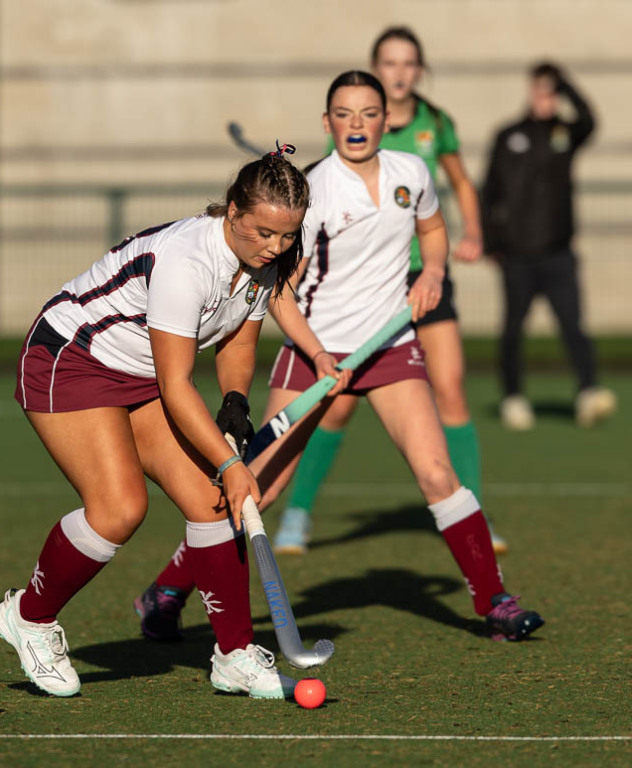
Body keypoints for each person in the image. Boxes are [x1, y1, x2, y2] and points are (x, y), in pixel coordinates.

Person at [135, 72, 545, 649]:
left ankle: (495, 603)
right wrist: (318, 352)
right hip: (316, 353)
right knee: (259, 489)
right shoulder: (316, 193)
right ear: (328, 124)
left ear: (386, 120)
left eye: (369, 113)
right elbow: (279, 291)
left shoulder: (412, 173)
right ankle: (167, 590)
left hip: (389, 347)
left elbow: (432, 228)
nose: (357, 125)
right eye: (345, 115)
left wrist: (432, 272)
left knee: (436, 472)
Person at [0, 149, 347, 699]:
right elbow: (177, 385)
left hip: (142, 373)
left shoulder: (265, 260)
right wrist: (230, 463)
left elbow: (239, 341)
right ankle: (29, 617)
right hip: (73, 357)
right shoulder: (187, 263)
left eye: (286, 236)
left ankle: (233, 657)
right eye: (263, 233)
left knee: (211, 506)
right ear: (233, 211)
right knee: (119, 509)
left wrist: (235, 401)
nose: (276, 248)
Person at [263, 26, 504, 557]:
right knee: (334, 412)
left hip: (419, 284)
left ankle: (474, 514)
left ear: (419, 71)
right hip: (347, 298)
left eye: (408, 63)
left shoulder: (433, 126)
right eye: (390, 63)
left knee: (451, 389)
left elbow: (458, 185)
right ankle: (297, 512)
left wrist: (459, 245)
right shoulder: (348, 137)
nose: (400, 72)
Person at [482, 61, 617, 430]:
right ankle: (513, 397)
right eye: (540, 88)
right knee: (513, 330)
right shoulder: (508, 135)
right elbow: (489, 191)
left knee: (573, 326)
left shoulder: (565, 133)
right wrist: (492, 242)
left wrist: (565, 84)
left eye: (551, 90)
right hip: (517, 255)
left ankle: (588, 391)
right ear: (529, 90)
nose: (544, 96)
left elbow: (590, 120)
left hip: (558, 253)